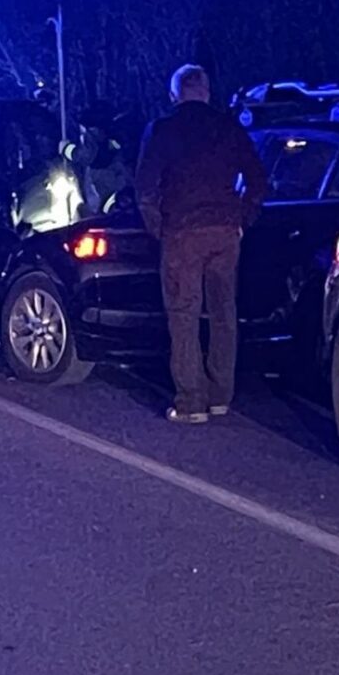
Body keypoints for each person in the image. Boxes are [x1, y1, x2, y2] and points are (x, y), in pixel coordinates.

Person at [134, 64, 267, 424]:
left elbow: (145, 188)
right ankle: (221, 394)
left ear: (175, 94)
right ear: (207, 91)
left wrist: (159, 227)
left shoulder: (163, 130)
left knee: (183, 314)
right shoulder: (228, 127)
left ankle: (191, 400)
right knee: (224, 314)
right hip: (225, 230)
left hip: (183, 232)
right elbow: (258, 179)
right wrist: (242, 217)